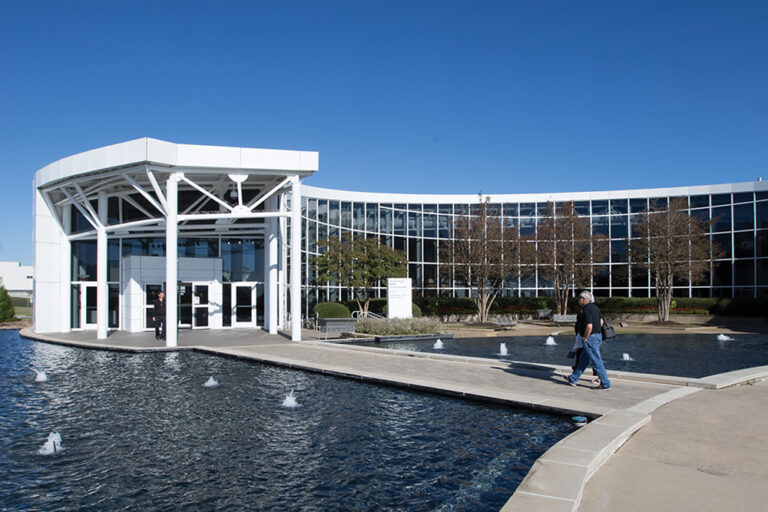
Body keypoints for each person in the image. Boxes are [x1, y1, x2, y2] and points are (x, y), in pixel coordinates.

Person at [563, 291, 611, 389]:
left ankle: (605, 384)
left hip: (590, 337)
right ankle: (573, 378)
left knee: (596, 361)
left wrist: (585, 337)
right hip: (597, 336)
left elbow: (589, 325)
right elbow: (601, 322)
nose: (578, 300)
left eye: (580, 298)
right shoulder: (595, 308)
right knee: (583, 360)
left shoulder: (586, 309)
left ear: (584, 299)